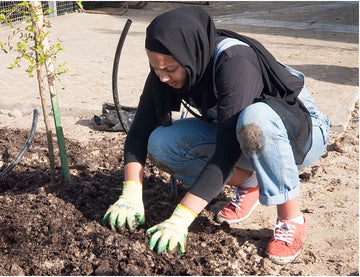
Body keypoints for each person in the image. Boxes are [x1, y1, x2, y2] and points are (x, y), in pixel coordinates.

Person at [102, 7, 329, 265]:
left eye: (171, 69)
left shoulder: (235, 62)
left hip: (300, 131)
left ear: (193, 54)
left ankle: (291, 219)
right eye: (156, 68)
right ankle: (250, 183)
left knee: (255, 120)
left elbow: (225, 153)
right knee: (162, 144)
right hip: (241, 135)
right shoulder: (167, 66)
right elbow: (140, 131)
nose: (162, 76)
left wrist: (180, 219)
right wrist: (130, 191)